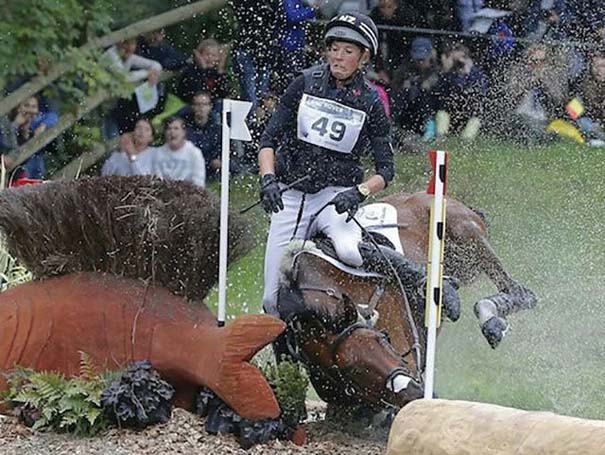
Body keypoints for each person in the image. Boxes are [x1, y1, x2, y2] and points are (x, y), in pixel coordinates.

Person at [257, 12, 459, 326]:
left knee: (350, 250)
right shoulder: (304, 83)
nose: (338, 56)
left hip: (335, 196)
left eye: (348, 51)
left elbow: (386, 170)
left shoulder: (371, 102)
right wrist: (268, 180)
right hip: (291, 195)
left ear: (364, 57)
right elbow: (268, 139)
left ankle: (424, 279)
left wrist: (359, 192)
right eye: (334, 48)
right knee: (271, 299)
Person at [176, 91, 221, 180]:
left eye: (204, 104)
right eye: (198, 104)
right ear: (192, 107)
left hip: (213, 172)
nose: (201, 108)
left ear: (210, 107)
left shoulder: (218, 129)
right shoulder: (184, 129)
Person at [152, 117, 206, 187]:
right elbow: (157, 180)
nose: (172, 132)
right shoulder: (158, 153)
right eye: (169, 129)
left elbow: (199, 181)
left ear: (184, 132)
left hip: (189, 193)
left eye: (176, 128)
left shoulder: (194, 153)